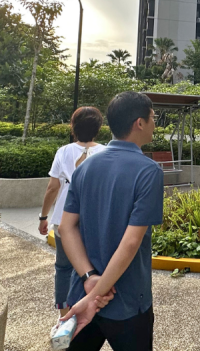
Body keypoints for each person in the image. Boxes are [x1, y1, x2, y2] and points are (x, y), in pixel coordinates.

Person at [59, 91, 163, 350]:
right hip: (127, 300)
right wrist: (96, 297)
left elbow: (66, 227)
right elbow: (130, 244)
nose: (154, 123)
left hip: (81, 295)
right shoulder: (148, 171)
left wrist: (89, 279)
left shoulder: (84, 168)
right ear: (139, 123)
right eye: (153, 117)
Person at [38, 106, 107, 317]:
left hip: (63, 220)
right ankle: (92, 311)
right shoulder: (106, 152)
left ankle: (64, 316)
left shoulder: (64, 151)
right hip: (94, 221)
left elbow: (53, 187)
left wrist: (43, 217)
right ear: (98, 128)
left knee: (63, 268)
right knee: (94, 268)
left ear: (73, 127)